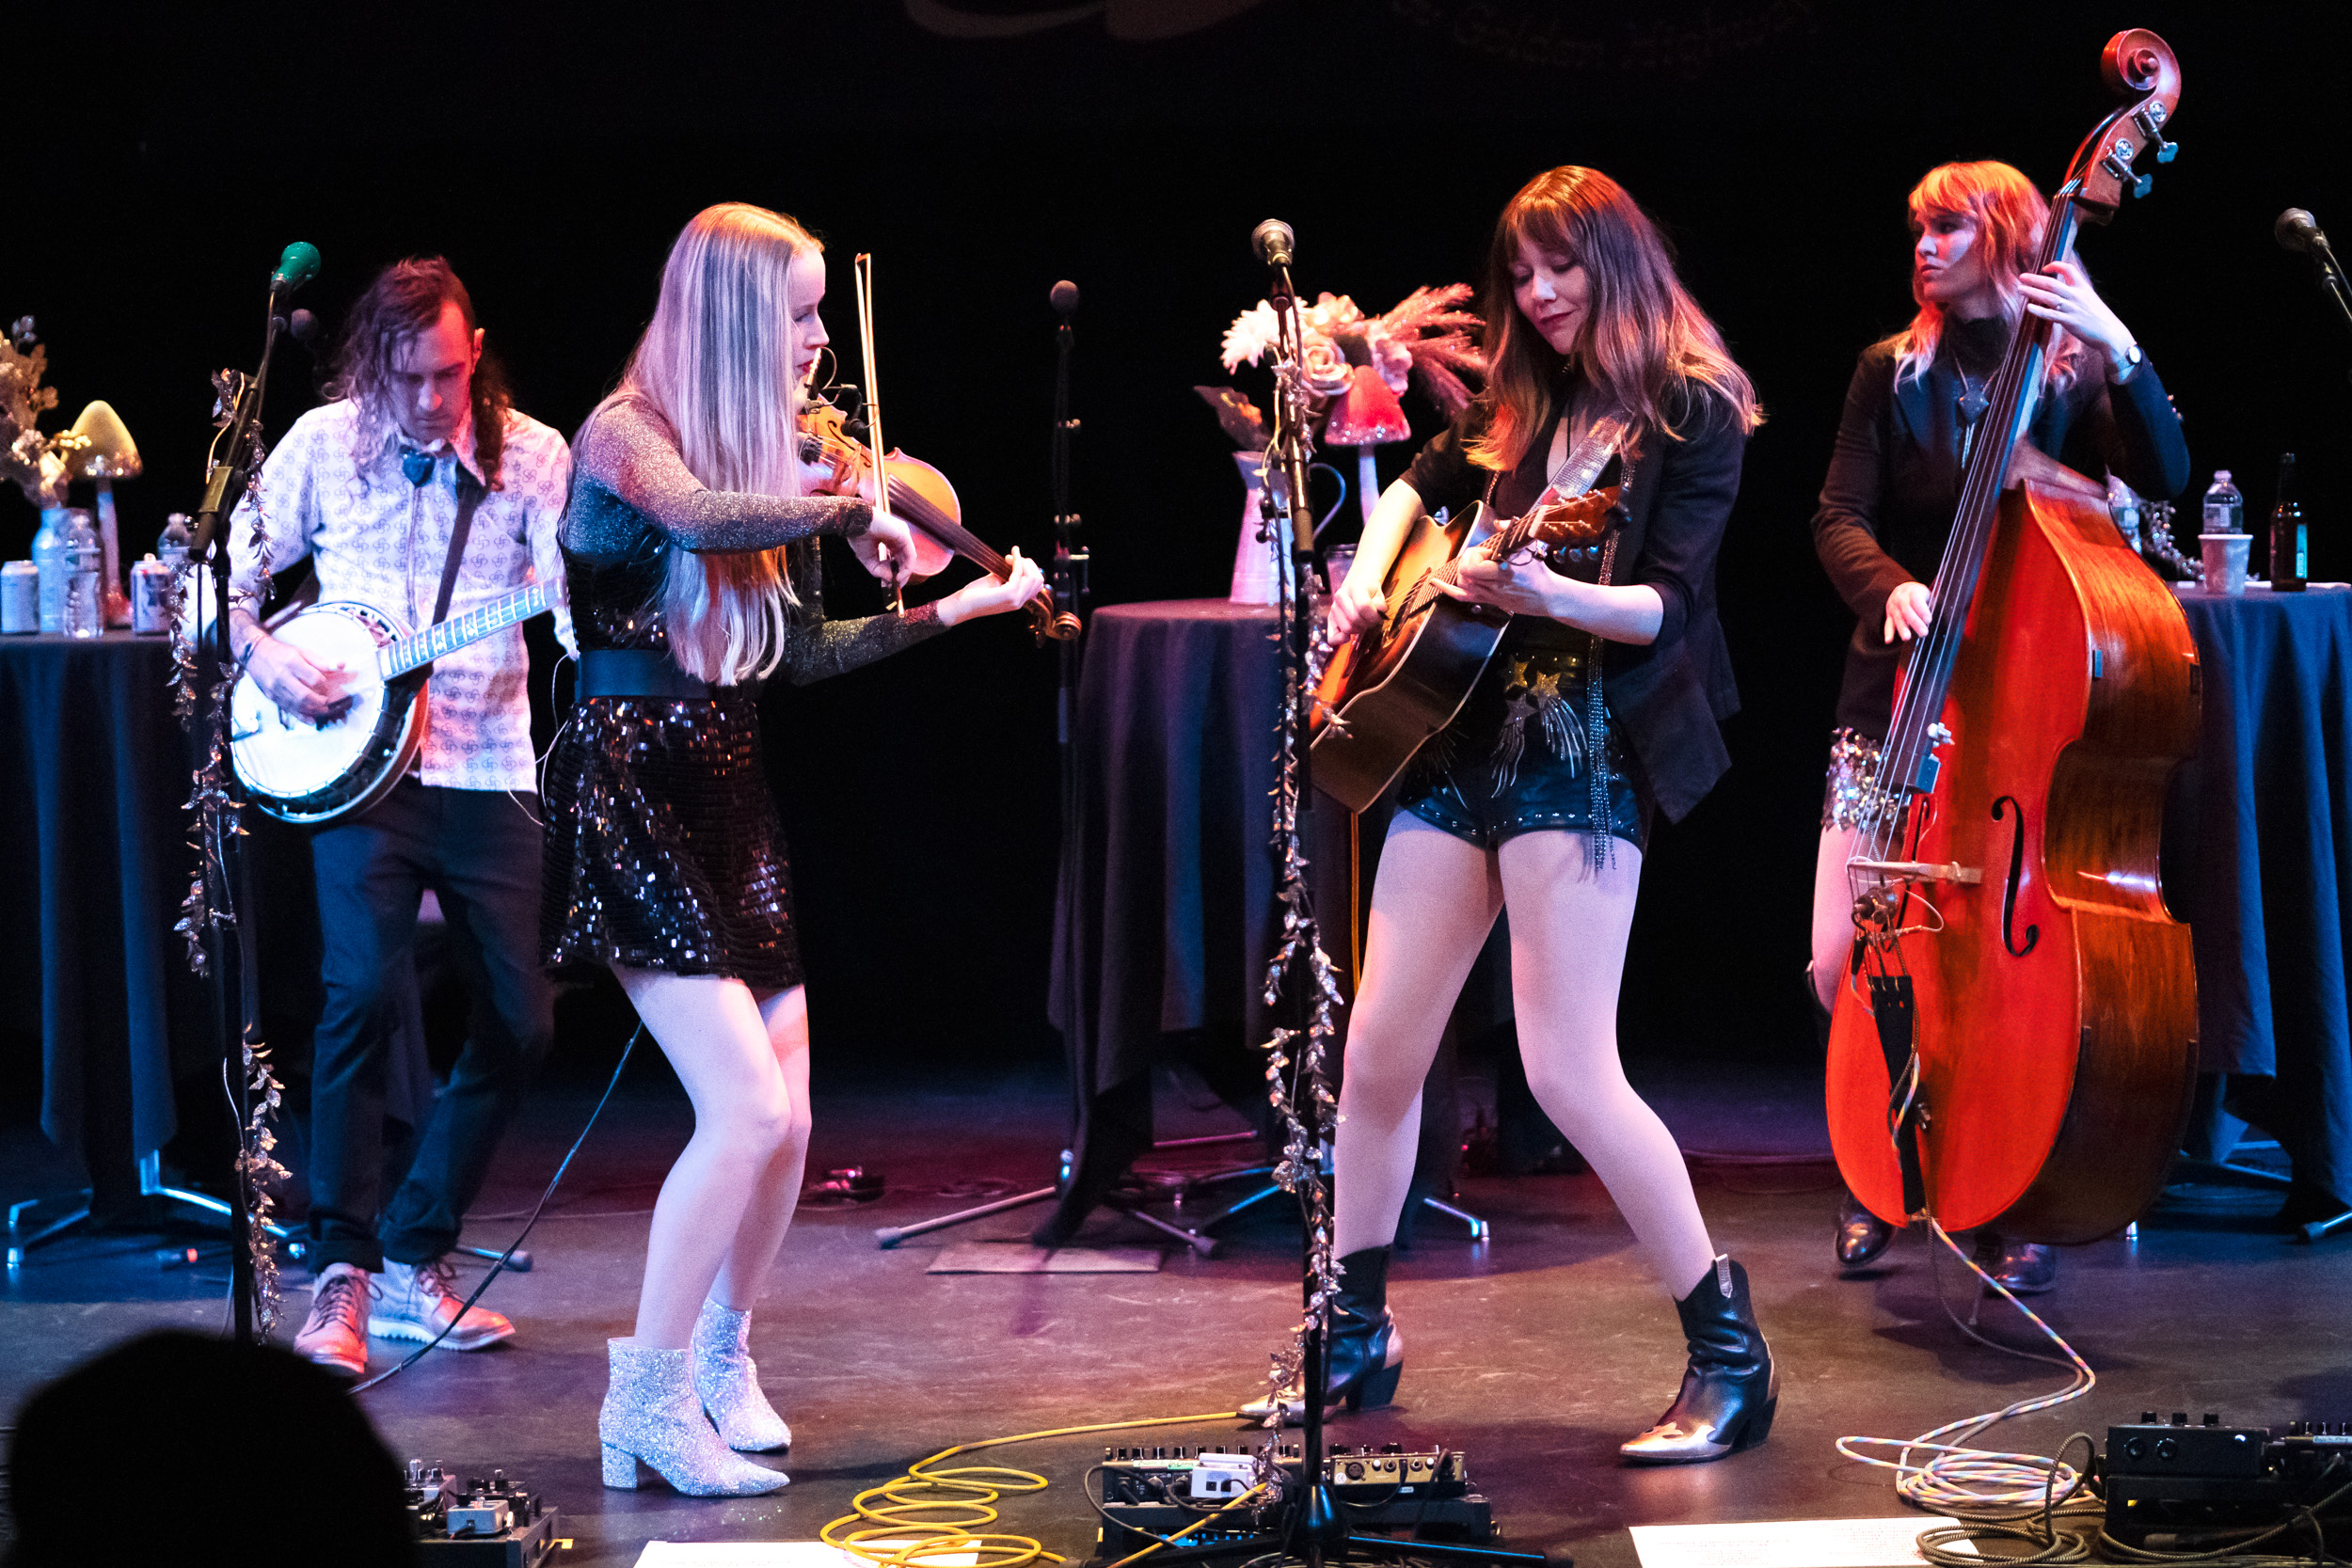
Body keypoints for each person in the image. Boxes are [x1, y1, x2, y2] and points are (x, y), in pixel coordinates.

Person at [541, 202, 1044, 1497]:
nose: (822, 340)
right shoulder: (626, 435)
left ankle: (721, 1355)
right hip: (631, 787)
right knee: (744, 1107)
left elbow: (803, 658)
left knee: (792, 1112)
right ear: (730, 318)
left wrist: (959, 605)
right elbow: (700, 517)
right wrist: (835, 504)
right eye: (799, 313)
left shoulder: (777, 462)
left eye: (825, 312)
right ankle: (643, 1399)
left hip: (728, 786)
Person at [1308, 166, 1770, 1464]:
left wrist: (1541, 594)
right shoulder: (1527, 394)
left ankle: (1731, 1352)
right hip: (1456, 729)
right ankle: (1354, 1327)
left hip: (1583, 741)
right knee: (1379, 1052)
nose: (1540, 293)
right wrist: (1367, 580)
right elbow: (1416, 484)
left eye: (1560, 267)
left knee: (1568, 1066)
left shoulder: (1691, 408)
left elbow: (1666, 605)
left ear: (1613, 262)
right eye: (1520, 273)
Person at [1809, 160, 2190, 1291]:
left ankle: (2004, 1190)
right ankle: (1881, 1162)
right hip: (1899, 693)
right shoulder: (1891, 368)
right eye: (1916, 228)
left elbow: (2163, 474)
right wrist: (1888, 584)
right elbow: (1836, 514)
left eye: (1946, 226)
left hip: (2029, 704)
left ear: (2010, 236)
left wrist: (2118, 342)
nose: (1922, 246)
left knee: (2003, 971)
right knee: (1841, 953)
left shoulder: (2069, 367)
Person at [228, 257, 574, 1377]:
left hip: (487, 761)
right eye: (410, 376)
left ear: (477, 357)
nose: (432, 399)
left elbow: (569, 600)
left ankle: (418, 1247)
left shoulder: (534, 455)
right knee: (360, 995)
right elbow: (217, 581)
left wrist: (602, 624)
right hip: (356, 771)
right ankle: (343, 1268)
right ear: (373, 365)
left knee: (521, 1020)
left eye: (450, 375)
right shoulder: (322, 444)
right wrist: (263, 654)